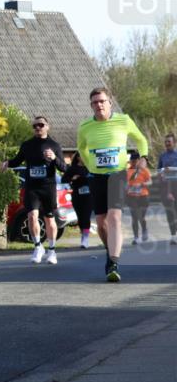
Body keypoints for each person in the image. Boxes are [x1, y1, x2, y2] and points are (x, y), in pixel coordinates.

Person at [76, 87, 148, 282]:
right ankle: (111, 251)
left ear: (110, 103)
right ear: (91, 106)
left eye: (102, 101)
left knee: (114, 217)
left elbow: (141, 140)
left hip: (118, 174)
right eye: (95, 102)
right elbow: (81, 147)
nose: (99, 105)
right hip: (96, 177)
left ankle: (114, 263)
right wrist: (89, 164)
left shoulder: (123, 120)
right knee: (101, 223)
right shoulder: (85, 127)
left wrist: (143, 157)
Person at [2, 116, 67, 265]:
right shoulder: (27, 145)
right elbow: (17, 160)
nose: (38, 128)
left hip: (48, 187)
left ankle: (51, 250)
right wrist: (7, 163)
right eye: (35, 126)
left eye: (41, 125)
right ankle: (38, 247)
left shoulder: (54, 145)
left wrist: (54, 157)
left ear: (47, 127)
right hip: (32, 187)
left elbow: (63, 167)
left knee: (49, 219)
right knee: (32, 215)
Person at [63, 151, 93, 248]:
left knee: (86, 216)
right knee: (80, 217)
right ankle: (83, 233)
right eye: (83, 156)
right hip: (77, 195)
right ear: (78, 158)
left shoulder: (91, 168)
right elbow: (64, 179)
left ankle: (85, 238)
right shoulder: (73, 168)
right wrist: (73, 178)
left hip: (89, 196)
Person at [126, 152, 152, 244]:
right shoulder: (127, 171)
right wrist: (127, 188)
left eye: (134, 161)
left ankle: (144, 229)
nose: (133, 163)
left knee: (141, 216)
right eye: (131, 161)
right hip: (132, 197)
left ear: (138, 161)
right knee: (134, 217)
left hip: (143, 196)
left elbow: (150, 182)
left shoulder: (144, 170)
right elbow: (125, 184)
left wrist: (142, 184)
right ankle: (136, 237)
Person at [158, 133, 177, 245]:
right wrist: (162, 172)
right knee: (170, 212)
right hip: (166, 187)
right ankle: (173, 236)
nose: (167, 143)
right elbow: (158, 170)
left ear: (174, 143)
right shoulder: (162, 156)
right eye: (166, 142)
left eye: (169, 141)